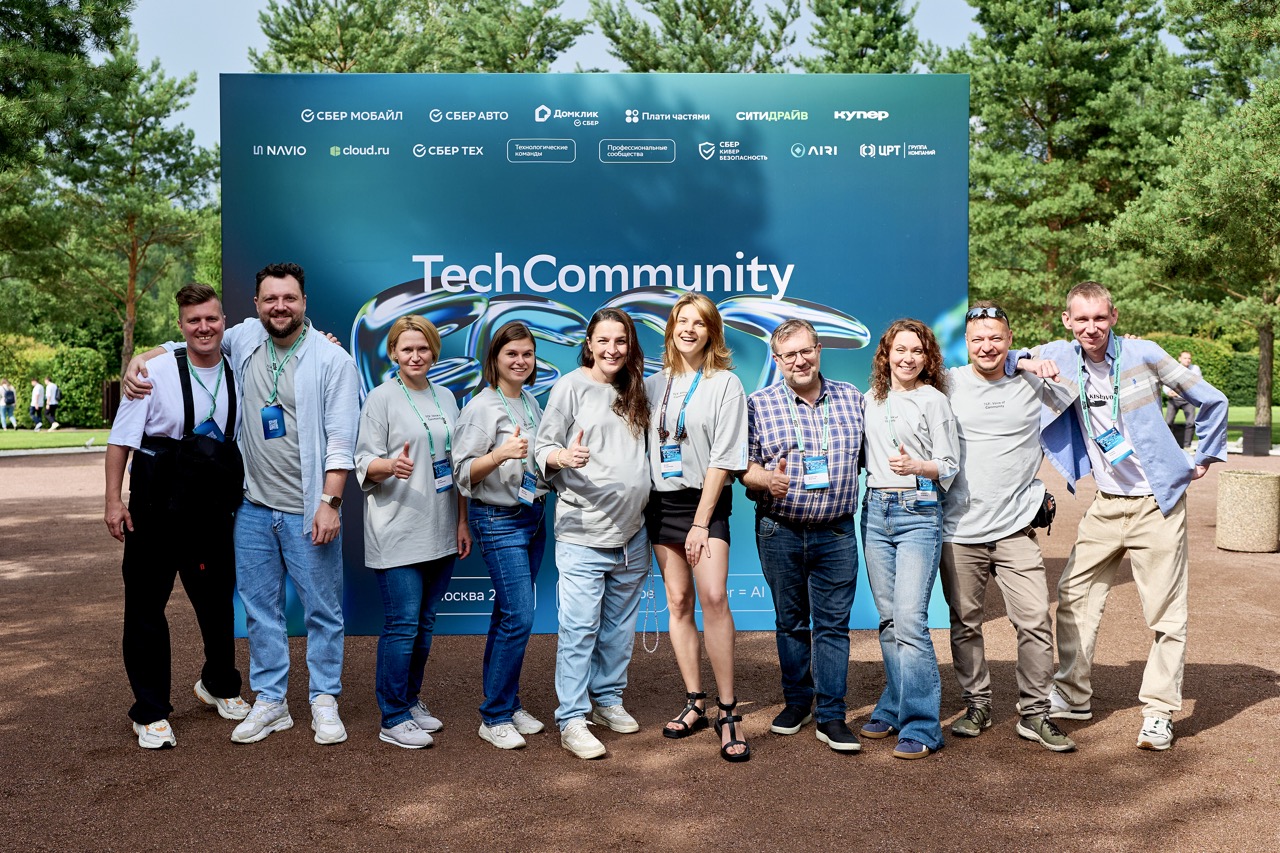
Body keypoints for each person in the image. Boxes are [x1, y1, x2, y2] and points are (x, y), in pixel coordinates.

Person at [125, 262, 361, 746]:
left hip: (307, 507)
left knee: (322, 611)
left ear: (304, 302)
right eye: (270, 299)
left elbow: (342, 440)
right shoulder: (247, 337)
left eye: (289, 298)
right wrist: (141, 358)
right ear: (256, 305)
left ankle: (324, 700)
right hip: (251, 509)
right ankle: (272, 701)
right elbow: (192, 341)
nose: (280, 306)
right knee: (260, 612)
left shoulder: (333, 359)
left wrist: (330, 502)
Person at [1022, 281, 1228, 751]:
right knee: (1073, 593)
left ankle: (1158, 712)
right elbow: (1004, 355)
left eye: (1100, 317)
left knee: (1165, 613)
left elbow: (1211, 399)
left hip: (1157, 504)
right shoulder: (1060, 354)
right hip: (1106, 504)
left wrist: (1203, 456)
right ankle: (1073, 694)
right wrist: (1029, 362)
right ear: (1067, 321)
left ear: (1113, 317)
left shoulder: (1145, 353)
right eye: (1082, 319)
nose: (1091, 327)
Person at [104, 283, 250, 748]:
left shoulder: (240, 367)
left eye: (211, 318)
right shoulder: (152, 371)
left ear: (224, 321)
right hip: (154, 505)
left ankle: (219, 685)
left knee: (216, 602)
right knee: (146, 607)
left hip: (212, 506)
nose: (204, 327)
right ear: (181, 325)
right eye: (193, 321)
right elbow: (121, 440)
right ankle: (149, 711)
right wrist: (113, 500)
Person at [938, 303, 1077, 753]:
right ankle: (977, 704)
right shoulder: (948, 382)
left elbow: (1081, 377)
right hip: (959, 530)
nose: (987, 346)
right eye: (978, 339)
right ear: (966, 343)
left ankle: (1035, 713)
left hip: (1017, 528)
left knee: (1035, 620)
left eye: (996, 338)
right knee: (965, 623)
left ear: (1010, 339)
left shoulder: (1034, 381)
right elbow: (900, 378)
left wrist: (1024, 361)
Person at [743, 318, 866, 753]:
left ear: (819, 350)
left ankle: (831, 714)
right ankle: (798, 702)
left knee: (833, 626)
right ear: (777, 360)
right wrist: (766, 480)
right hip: (780, 529)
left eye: (806, 350)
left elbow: (872, 458)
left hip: (836, 531)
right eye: (789, 354)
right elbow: (744, 466)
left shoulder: (853, 399)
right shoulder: (758, 404)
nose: (799, 360)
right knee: (790, 623)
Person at [533, 307, 651, 760]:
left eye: (620, 341)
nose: (612, 349)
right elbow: (543, 447)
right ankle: (572, 719)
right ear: (589, 344)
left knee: (619, 629)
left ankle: (606, 700)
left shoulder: (636, 387)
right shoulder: (569, 386)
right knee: (580, 629)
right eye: (603, 340)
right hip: (583, 531)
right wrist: (563, 457)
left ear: (630, 344)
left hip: (632, 533)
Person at [356, 315, 470, 749]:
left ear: (434, 351)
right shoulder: (381, 399)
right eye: (407, 349)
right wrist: (391, 465)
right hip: (397, 529)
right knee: (403, 624)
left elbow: (458, 465)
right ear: (393, 353)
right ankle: (393, 716)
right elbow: (363, 461)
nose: (415, 356)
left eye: (422, 348)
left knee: (424, 624)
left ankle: (409, 699)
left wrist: (462, 520)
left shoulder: (447, 397)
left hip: (441, 528)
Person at [644, 293, 750, 762]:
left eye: (699, 323)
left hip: (705, 504)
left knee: (713, 598)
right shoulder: (651, 384)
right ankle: (695, 703)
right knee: (679, 601)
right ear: (671, 329)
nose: (689, 329)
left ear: (712, 332)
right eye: (681, 321)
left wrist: (701, 522)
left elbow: (725, 457)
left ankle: (729, 711)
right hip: (661, 504)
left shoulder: (726, 383)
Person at [858, 319, 959, 760]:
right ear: (886, 355)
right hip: (875, 512)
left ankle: (922, 726)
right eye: (900, 349)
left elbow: (949, 463)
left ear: (927, 358)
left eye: (917, 351)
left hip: (918, 511)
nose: (908, 358)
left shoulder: (934, 400)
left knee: (910, 621)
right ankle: (894, 706)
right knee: (888, 621)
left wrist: (918, 466)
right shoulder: (870, 399)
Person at [454, 321, 549, 750]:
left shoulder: (530, 401)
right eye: (512, 354)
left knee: (507, 615)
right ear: (494, 359)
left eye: (527, 354)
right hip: (497, 519)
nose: (520, 361)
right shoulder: (481, 408)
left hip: (533, 516)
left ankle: (507, 703)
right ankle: (493, 716)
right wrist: (500, 454)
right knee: (520, 616)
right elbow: (462, 473)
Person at [1163, 351, 1202, 449]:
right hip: (1174, 399)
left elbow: (1195, 383)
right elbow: (1166, 381)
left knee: (1191, 423)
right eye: (1185, 358)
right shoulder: (1173, 368)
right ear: (1179, 358)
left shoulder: (1195, 369)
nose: (1187, 360)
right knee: (1168, 422)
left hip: (1188, 400)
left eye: (1189, 358)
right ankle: (1168, 445)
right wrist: (1168, 392)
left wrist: (1180, 392)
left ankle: (1187, 446)